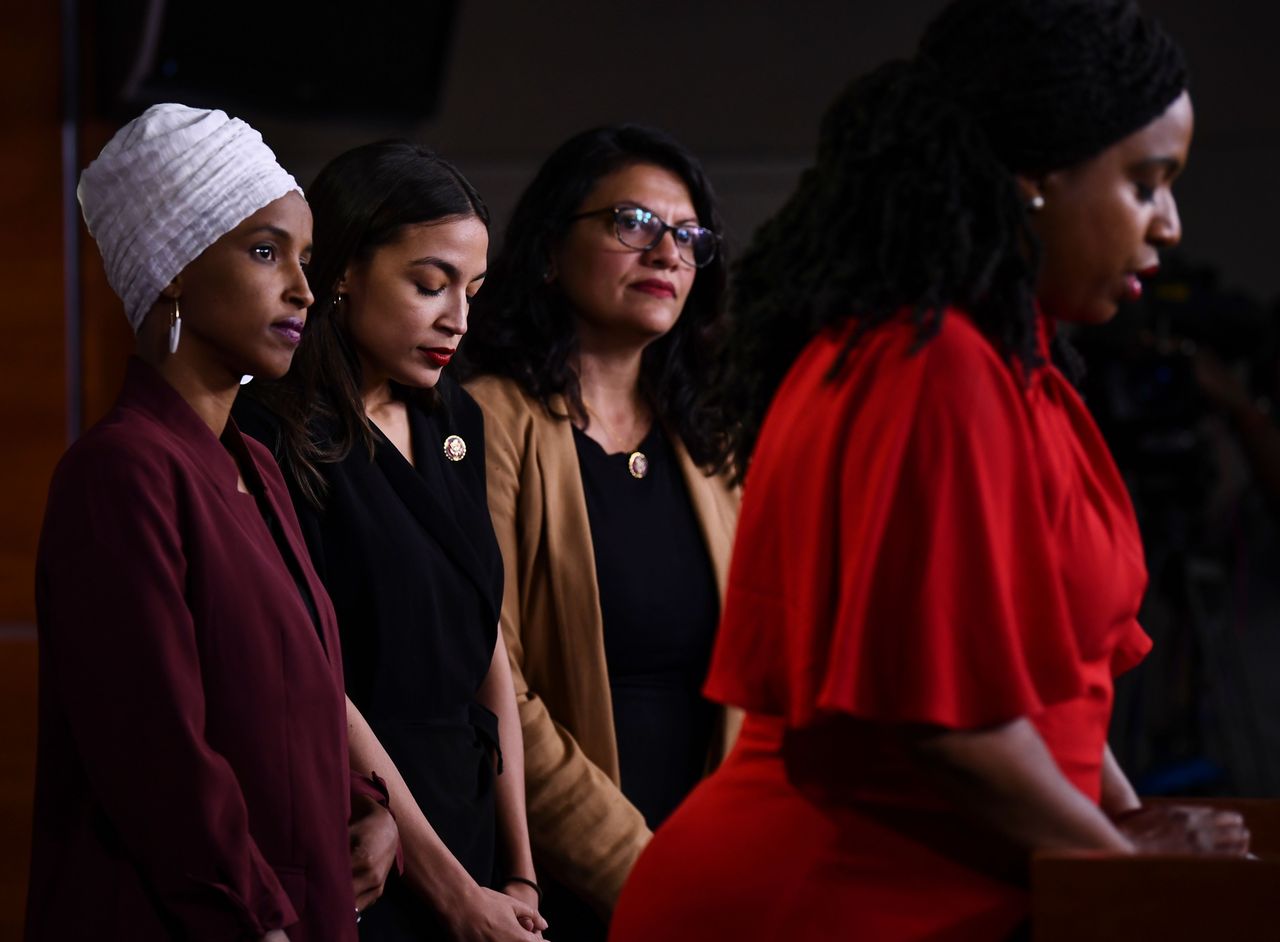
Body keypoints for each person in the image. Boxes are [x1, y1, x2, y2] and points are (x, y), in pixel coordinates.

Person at [609, 2, 1251, 939]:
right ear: (1037, 173)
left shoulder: (1011, 366)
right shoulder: (931, 366)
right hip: (823, 899)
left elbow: (1063, 698)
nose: (1170, 226)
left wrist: (1123, 827)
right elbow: (947, 729)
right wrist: (1128, 868)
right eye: (1148, 183)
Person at [26, 103, 396, 942]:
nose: (304, 288)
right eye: (267, 252)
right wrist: (262, 918)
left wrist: (368, 808)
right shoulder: (119, 474)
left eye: (305, 258)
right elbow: (156, 758)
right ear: (174, 269)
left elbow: (298, 692)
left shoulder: (254, 465)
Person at [236, 140, 545, 942]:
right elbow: (314, 675)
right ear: (341, 271)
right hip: (367, 833)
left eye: (472, 291)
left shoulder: (458, 420)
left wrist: (518, 869)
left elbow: (490, 656)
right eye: (429, 284)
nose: (458, 320)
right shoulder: (271, 430)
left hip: (472, 822)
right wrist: (451, 891)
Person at [459, 125, 740, 939]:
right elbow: (494, 683)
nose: (667, 253)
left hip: (715, 871)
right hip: (559, 882)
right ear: (550, 250)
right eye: (632, 223)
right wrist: (639, 873)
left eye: (688, 236)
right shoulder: (487, 420)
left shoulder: (713, 447)